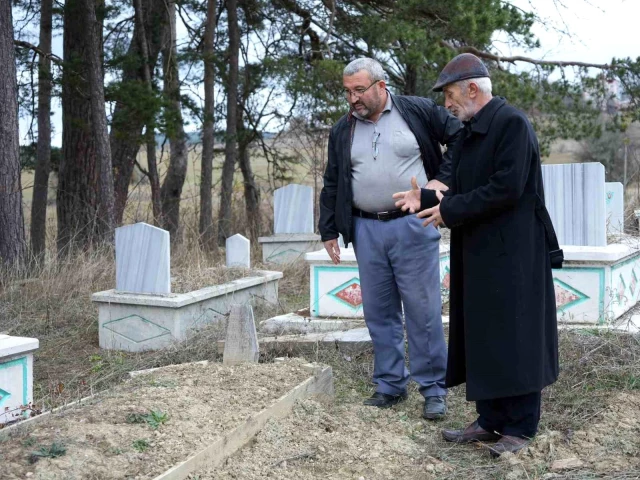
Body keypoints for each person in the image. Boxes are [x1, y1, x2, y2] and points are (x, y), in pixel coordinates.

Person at [393, 53, 559, 456]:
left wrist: (448, 209)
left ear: (472, 89)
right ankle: (490, 420)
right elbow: (459, 181)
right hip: (480, 249)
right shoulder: (469, 132)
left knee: (516, 337)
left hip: (515, 253)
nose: (446, 104)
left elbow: (506, 187)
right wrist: (428, 196)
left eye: (450, 94)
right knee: (484, 333)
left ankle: (520, 427)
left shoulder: (512, 124)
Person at [318, 57, 463, 419]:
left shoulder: (417, 111)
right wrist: (329, 228)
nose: (353, 99)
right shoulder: (343, 129)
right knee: (379, 311)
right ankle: (389, 384)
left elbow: (462, 139)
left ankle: (432, 389)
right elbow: (333, 179)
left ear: (381, 86)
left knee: (422, 309)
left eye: (360, 90)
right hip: (366, 228)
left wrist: (439, 185)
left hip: (412, 224)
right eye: (348, 92)